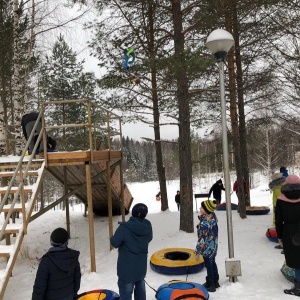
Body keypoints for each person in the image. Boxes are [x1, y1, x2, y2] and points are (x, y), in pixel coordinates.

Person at [110, 203, 153, 300]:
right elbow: (149, 238)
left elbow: (115, 243)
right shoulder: (148, 226)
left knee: (125, 295)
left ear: (133, 213)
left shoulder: (125, 227)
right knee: (141, 293)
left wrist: (112, 237)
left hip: (126, 272)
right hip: (141, 269)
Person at [32, 227, 81, 300]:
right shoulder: (73, 257)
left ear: (52, 242)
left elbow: (39, 287)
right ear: (66, 241)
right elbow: (77, 280)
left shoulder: (46, 261)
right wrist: (73, 294)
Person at [275, 175, 300, 296]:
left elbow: (278, 220)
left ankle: (299, 287)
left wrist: (279, 236)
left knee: (296, 260)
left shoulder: (281, 199)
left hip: (289, 232)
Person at [195, 199, 219, 293]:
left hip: (207, 248)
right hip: (213, 246)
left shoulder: (205, 222)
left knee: (209, 265)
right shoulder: (212, 218)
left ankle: (210, 284)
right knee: (213, 263)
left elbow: (202, 239)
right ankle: (215, 281)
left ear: (206, 210)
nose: (200, 209)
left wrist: (198, 251)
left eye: (201, 207)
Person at [269, 173, 286, 251]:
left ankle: (283, 245)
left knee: (281, 226)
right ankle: (283, 244)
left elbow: (280, 198)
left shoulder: (279, 187)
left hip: (280, 209)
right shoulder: (281, 185)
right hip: (279, 207)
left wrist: (277, 207)